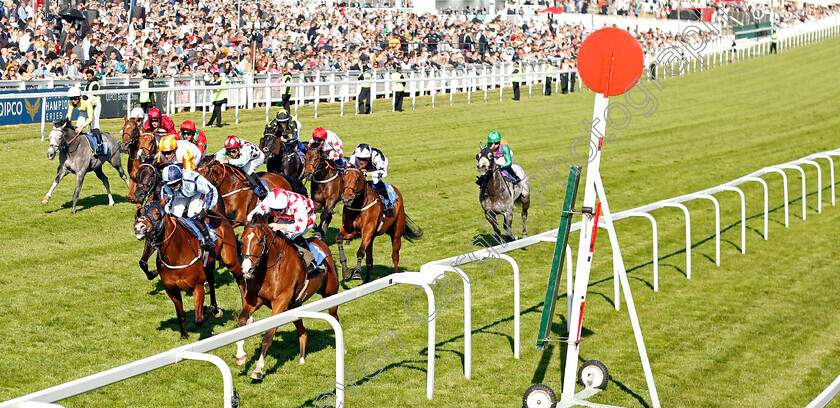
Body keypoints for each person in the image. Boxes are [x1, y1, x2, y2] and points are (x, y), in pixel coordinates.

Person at [247, 187, 320, 275]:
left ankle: (311, 262)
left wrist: (280, 226)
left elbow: (299, 227)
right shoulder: (269, 201)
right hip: (287, 218)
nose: (276, 213)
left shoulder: (297, 204)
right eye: (273, 210)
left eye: (279, 210)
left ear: (286, 205)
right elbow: (250, 216)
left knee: (293, 235)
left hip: (307, 218)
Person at [161, 164, 218, 250]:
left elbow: (211, 190)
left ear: (181, 178)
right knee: (173, 215)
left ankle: (207, 237)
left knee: (193, 213)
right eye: (170, 185)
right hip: (181, 195)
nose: (173, 187)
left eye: (175, 184)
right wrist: (167, 211)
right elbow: (166, 202)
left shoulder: (193, 179)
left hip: (197, 192)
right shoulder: (166, 187)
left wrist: (206, 209)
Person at [349, 143, 393, 217]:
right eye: (359, 158)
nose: (361, 161)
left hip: (377, 168)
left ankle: (388, 202)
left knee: (376, 180)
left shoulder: (377, 156)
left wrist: (367, 174)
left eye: (364, 159)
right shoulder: (354, 157)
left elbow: (383, 173)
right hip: (363, 168)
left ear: (368, 157)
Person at [65, 86, 103, 154]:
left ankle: (100, 146)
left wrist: (82, 127)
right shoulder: (71, 102)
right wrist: (65, 124)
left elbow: (90, 118)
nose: (73, 101)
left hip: (95, 106)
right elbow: (69, 115)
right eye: (71, 98)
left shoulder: (86, 101)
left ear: (79, 97)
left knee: (94, 126)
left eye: (75, 98)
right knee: (77, 127)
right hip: (84, 109)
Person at [83, 69, 102, 137]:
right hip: (89, 103)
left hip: (95, 103)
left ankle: (97, 136)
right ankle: (90, 133)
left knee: (95, 120)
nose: (88, 77)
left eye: (89, 76)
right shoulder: (88, 83)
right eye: (87, 76)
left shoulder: (95, 83)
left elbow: (93, 94)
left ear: (93, 76)